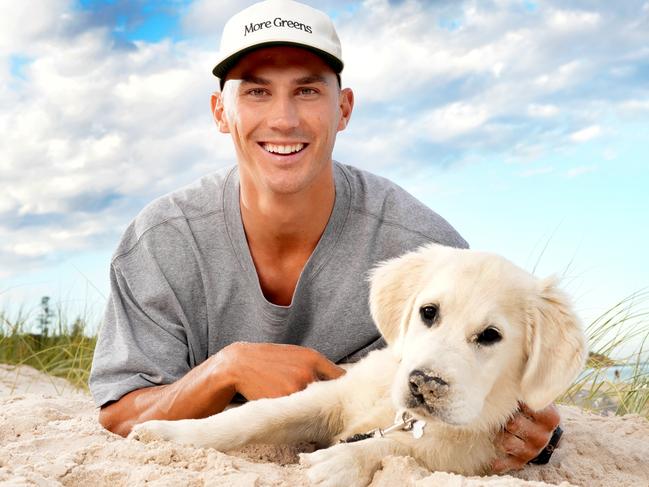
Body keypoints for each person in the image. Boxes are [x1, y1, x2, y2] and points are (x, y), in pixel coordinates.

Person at [89, 0, 561, 473]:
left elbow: (492, 375)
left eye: (308, 90)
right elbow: (120, 414)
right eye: (256, 91)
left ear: (343, 108)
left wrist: (540, 430)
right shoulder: (162, 240)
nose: (284, 119)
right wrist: (226, 369)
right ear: (220, 111)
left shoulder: (424, 247)